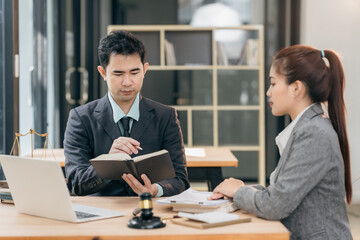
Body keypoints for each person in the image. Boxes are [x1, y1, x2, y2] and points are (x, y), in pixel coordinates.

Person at [210, 45, 352, 239]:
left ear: (296, 88)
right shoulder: (308, 128)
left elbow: (275, 205)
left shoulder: (313, 133)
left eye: (273, 83)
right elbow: (285, 193)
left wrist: (240, 192)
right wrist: (244, 190)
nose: (268, 92)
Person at [64, 30, 189, 197]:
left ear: (145, 70)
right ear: (103, 73)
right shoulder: (81, 118)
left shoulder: (165, 116)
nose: (128, 82)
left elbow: (181, 179)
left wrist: (155, 190)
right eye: (118, 73)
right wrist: (108, 162)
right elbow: (75, 184)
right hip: (101, 214)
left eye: (134, 72)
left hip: (150, 210)